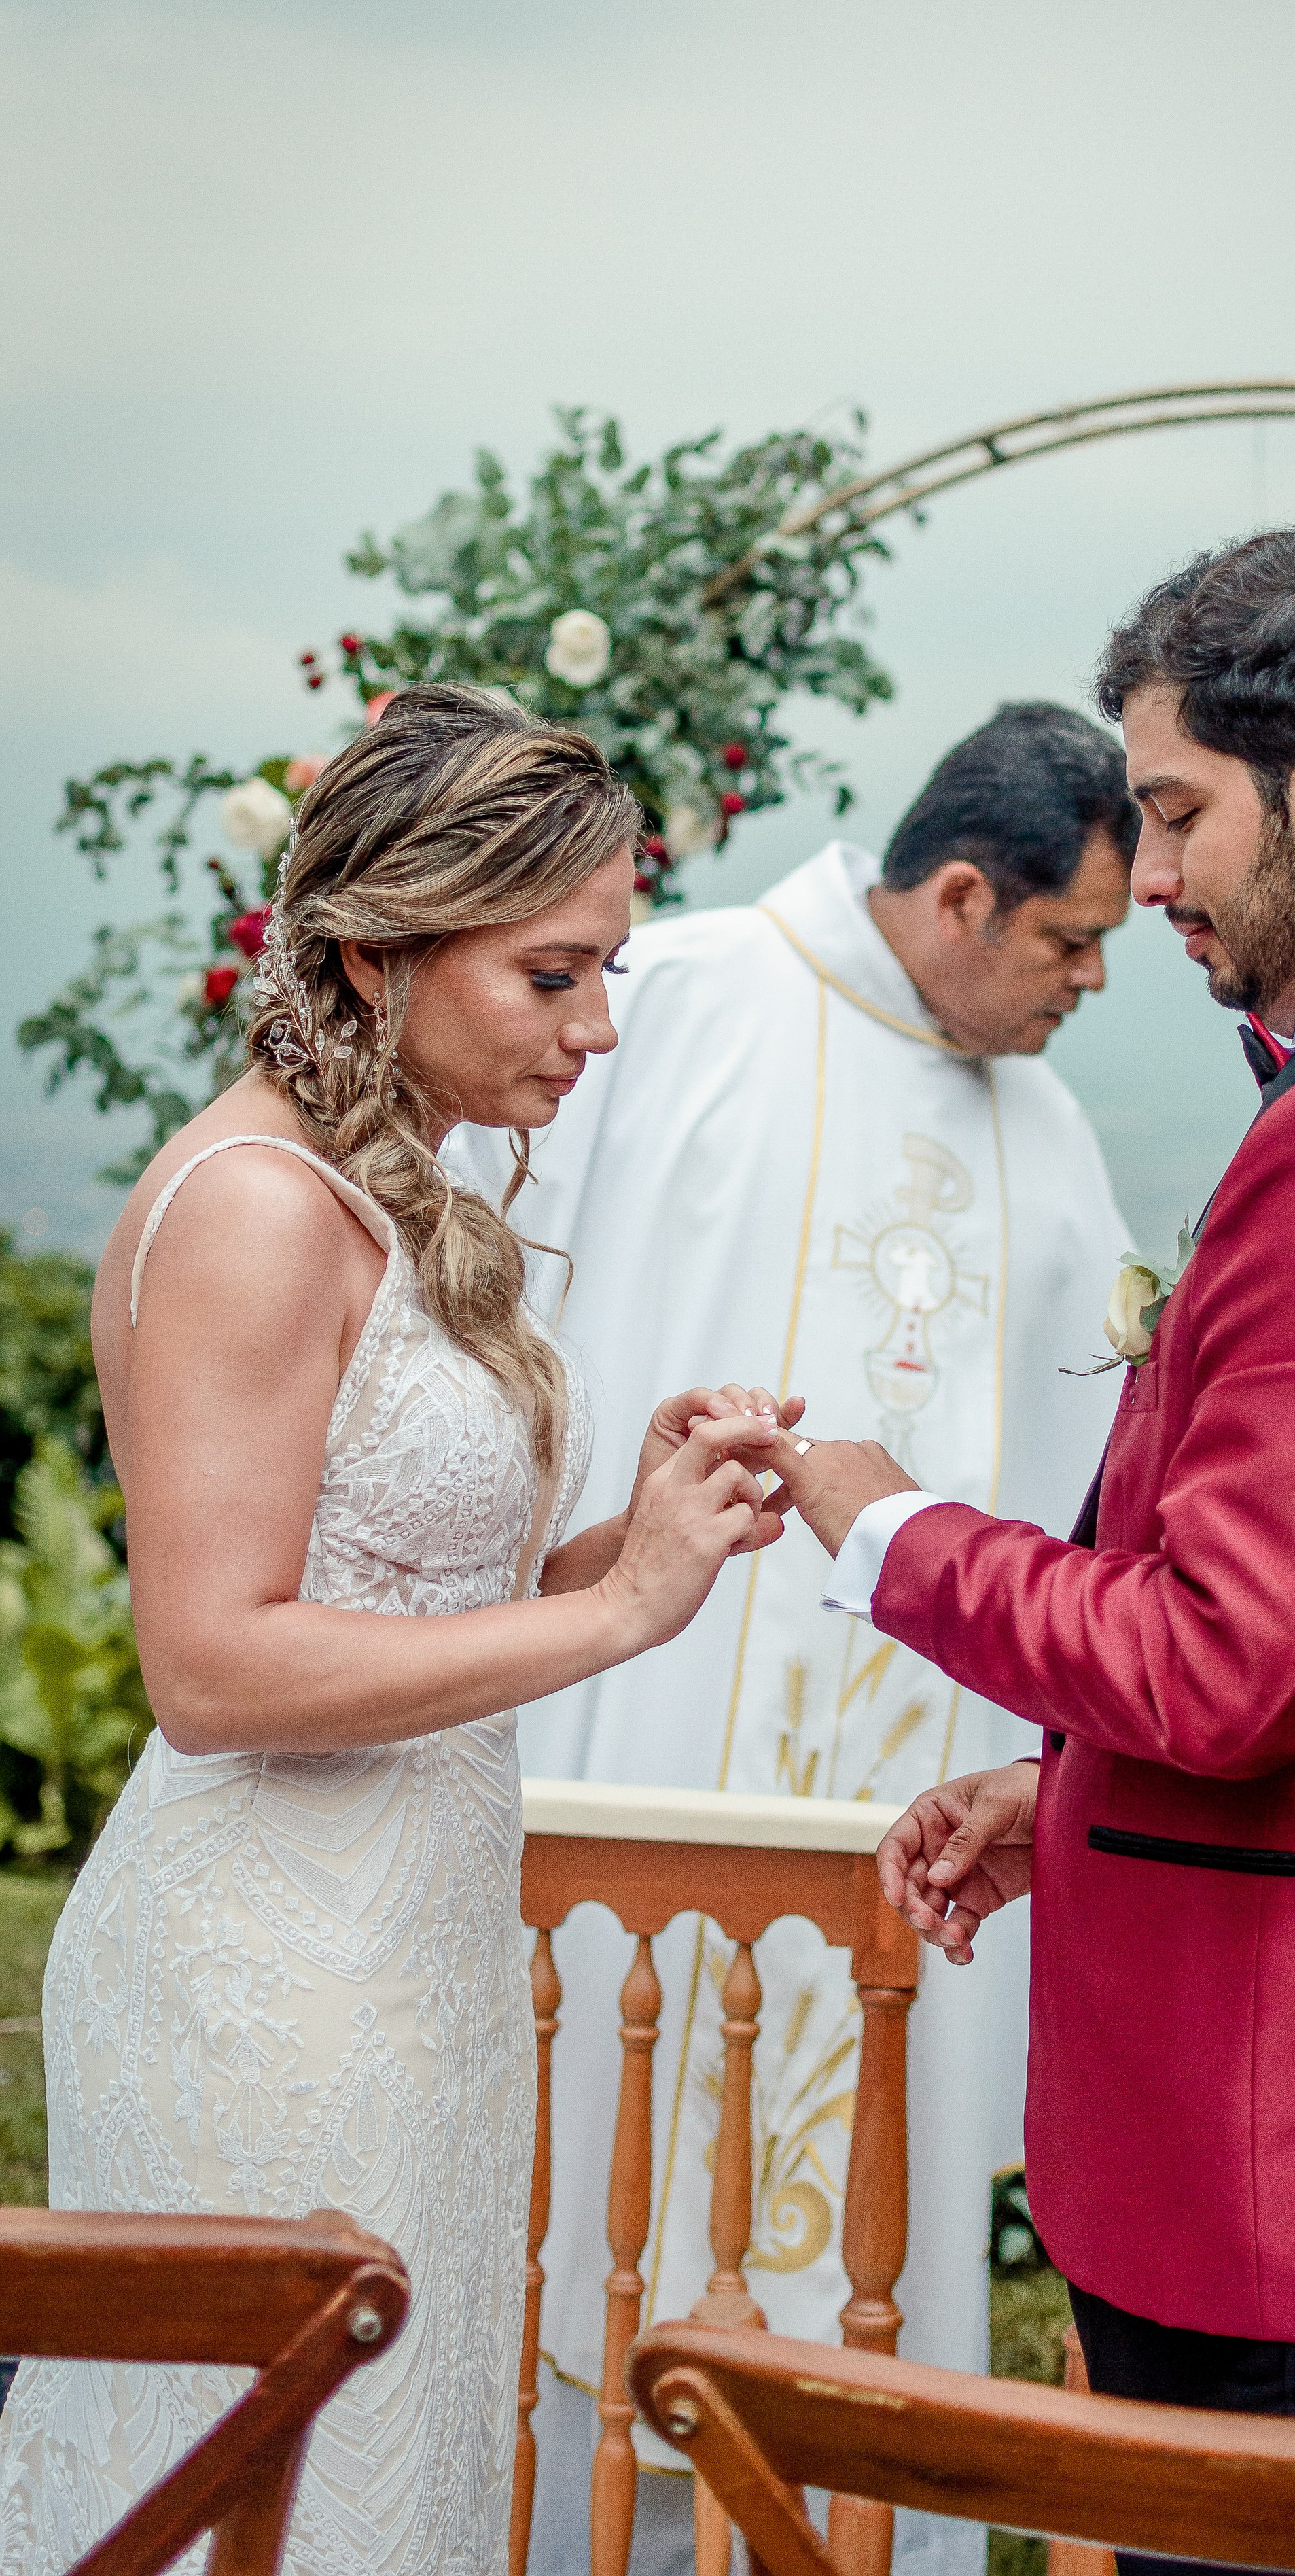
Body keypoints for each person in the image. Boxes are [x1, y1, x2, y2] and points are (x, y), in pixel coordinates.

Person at [762, 522, 1295, 2545]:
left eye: (1174, 811)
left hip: (1287, 2168)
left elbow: (1229, 1663)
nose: (1143, 877)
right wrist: (1057, 1790)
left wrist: (893, 1529)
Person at [0, 686, 792, 2576]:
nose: (597, 1027)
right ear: (376, 944)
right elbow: (216, 1667)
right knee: (262, 2497)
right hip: (266, 1973)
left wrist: (638, 1518)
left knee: (404, 2478)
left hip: (415, 1954)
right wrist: (618, 1608)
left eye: (605, 972)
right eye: (552, 977)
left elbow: (409, 1601)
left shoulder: (385, 1185)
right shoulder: (258, 1212)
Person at [451, 703, 1135, 2505]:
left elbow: (1094, 1484)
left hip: (921, 1817)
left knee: (868, 2328)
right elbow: (461, 1325)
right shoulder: (666, 1002)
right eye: (1073, 942)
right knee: (581, 2233)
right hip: (645, 1742)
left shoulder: (1056, 1136)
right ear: (968, 896)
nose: (1091, 985)